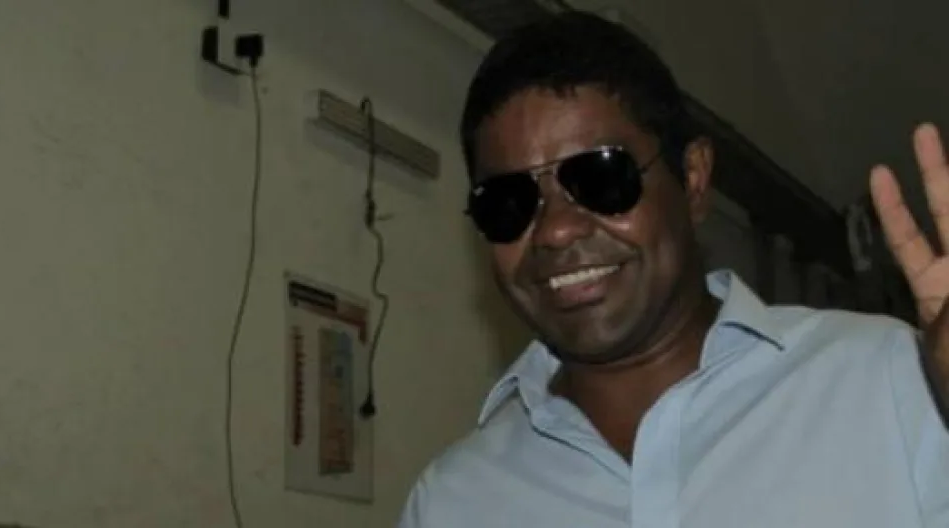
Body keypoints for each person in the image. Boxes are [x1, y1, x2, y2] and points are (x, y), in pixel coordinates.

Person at [397, 10, 949, 527]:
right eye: (509, 202)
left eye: (600, 178)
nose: (555, 230)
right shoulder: (453, 501)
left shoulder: (891, 383)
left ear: (694, 179)